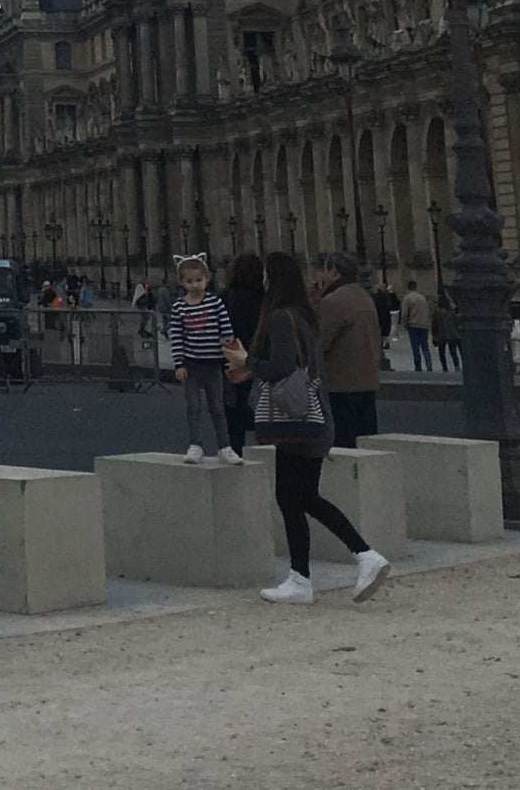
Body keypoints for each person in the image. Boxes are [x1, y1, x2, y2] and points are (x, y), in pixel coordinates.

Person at [233, 249, 388, 605]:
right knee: (303, 497)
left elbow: (283, 367)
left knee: (293, 498)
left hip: (296, 419)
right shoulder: (305, 315)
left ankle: (323, 570)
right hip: (315, 417)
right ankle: (338, 564)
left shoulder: (279, 317)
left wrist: (247, 361)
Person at [164, 253, 237, 463]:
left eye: (198, 280)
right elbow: (177, 337)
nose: (195, 285)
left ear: (207, 279)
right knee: (193, 408)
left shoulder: (216, 303)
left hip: (213, 365)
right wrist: (179, 364)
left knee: (217, 408)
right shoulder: (179, 307)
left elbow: (227, 332)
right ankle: (195, 445)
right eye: (189, 281)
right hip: (191, 365)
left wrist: (231, 357)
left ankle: (225, 446)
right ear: (182, 283)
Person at [315, 253, 383, 448]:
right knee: (366, 443)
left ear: (334, 272)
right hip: (367, 381)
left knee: (343, 444)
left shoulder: (333, 301)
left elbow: (319, 343)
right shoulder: (364, 297)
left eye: (325, 271)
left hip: (341, 383)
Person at [220, 251, 265, 458]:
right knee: (263, 419)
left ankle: (234, 461)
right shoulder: (265, 301)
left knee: (233, 427)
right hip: (257, 365)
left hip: (229, 365)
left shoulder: (223, 299)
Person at [400, 282, 433, 373]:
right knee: (425, 346)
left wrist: (405, 324)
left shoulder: (407, 298)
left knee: (415, 347)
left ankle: (418, 366)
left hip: (413, 325)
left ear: (408, 288)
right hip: (423, 325)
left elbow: (404, 314)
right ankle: (429, 363)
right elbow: (427, 311)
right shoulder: (422, 298)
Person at [372, 277, 402, 365]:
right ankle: (385, 342)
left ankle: (384, 342)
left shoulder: (378, 296)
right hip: (386, 315)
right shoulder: (386, 296)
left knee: (382, 330)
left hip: (381, 315)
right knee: (385, 330)